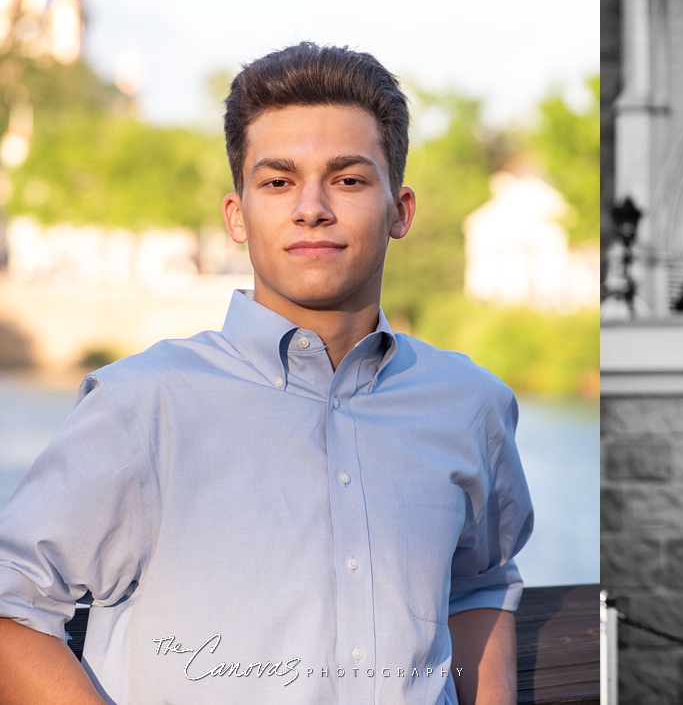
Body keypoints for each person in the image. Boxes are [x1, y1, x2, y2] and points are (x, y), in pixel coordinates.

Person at [0, 42, 534, 705]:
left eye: (348, 178)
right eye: (279, 181)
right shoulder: (143, 404)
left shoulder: (470, 406)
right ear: (237, 213)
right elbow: (11, 603)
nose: (311, 207)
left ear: (400, 210)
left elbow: (480, 582)